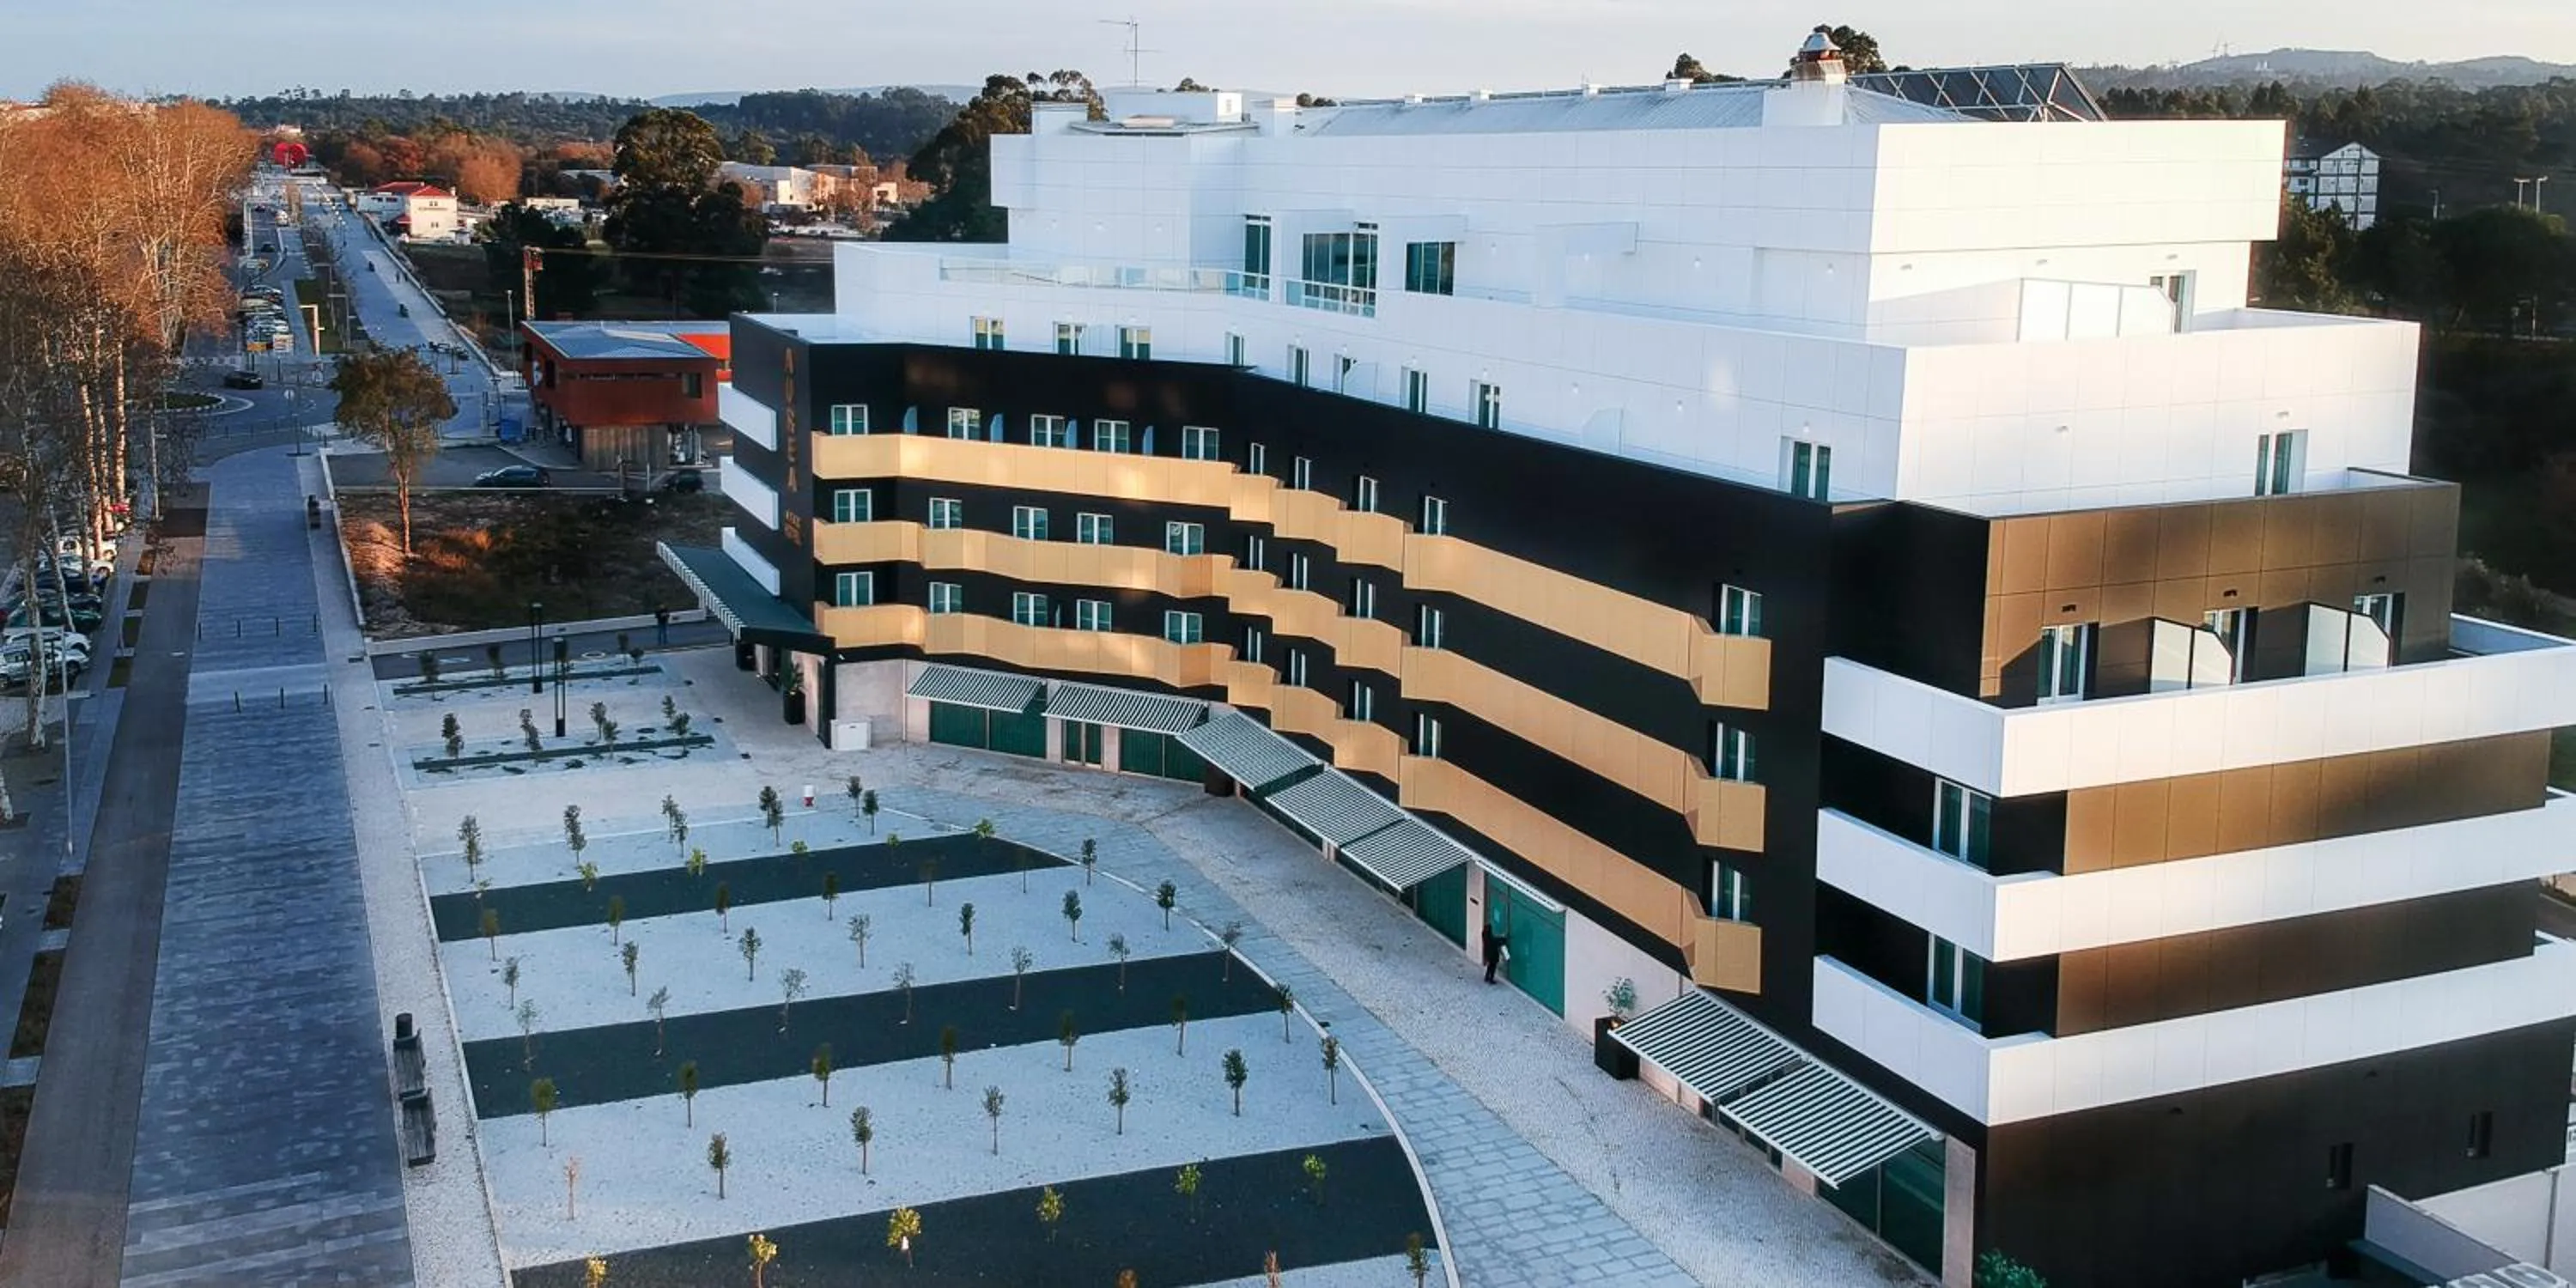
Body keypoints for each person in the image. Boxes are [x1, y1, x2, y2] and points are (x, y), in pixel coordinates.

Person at [1481, 921, 1510, 985]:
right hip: (1493, 955)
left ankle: (1487, 977)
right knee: (1493, 967)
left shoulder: (1485, 936)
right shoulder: (1491, 939)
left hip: (1488, 953)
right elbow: (1497, 941)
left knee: (1490, 966)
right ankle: (1491, 979)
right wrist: (1503, 938)